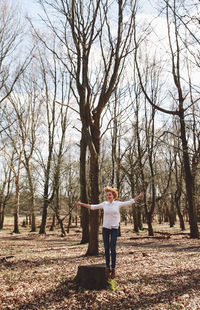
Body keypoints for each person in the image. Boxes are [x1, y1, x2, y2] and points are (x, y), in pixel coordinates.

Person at [76, 186, 145, 279]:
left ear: (113, 195)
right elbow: (93, 207)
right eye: (107, 195)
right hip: (105, 228)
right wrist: (81, 204)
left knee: (113, 249)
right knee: (106, 249)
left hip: (114, 229)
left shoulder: (117, 204)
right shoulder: (104, 204)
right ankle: (108, 268)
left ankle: (114, 269)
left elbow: (130, 202)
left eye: (110, 194)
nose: (108, 196)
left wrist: (139, 196)